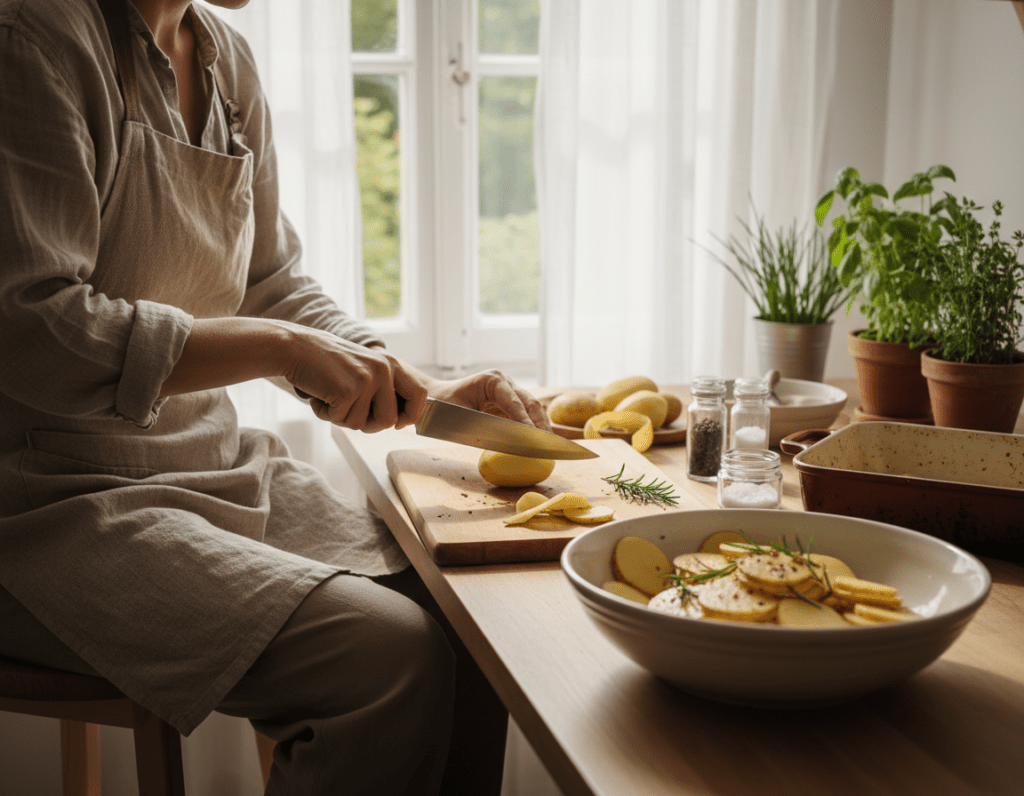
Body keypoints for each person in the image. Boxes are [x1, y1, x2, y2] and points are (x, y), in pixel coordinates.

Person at [0, 0, 549, 792]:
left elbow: (269, 282)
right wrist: (281, 349)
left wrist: (416, 387)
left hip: (207, 470)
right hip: (47, 505)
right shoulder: (32, 38)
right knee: (383, 655)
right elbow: (30, 329)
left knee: (468, 619)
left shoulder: (225, 61)